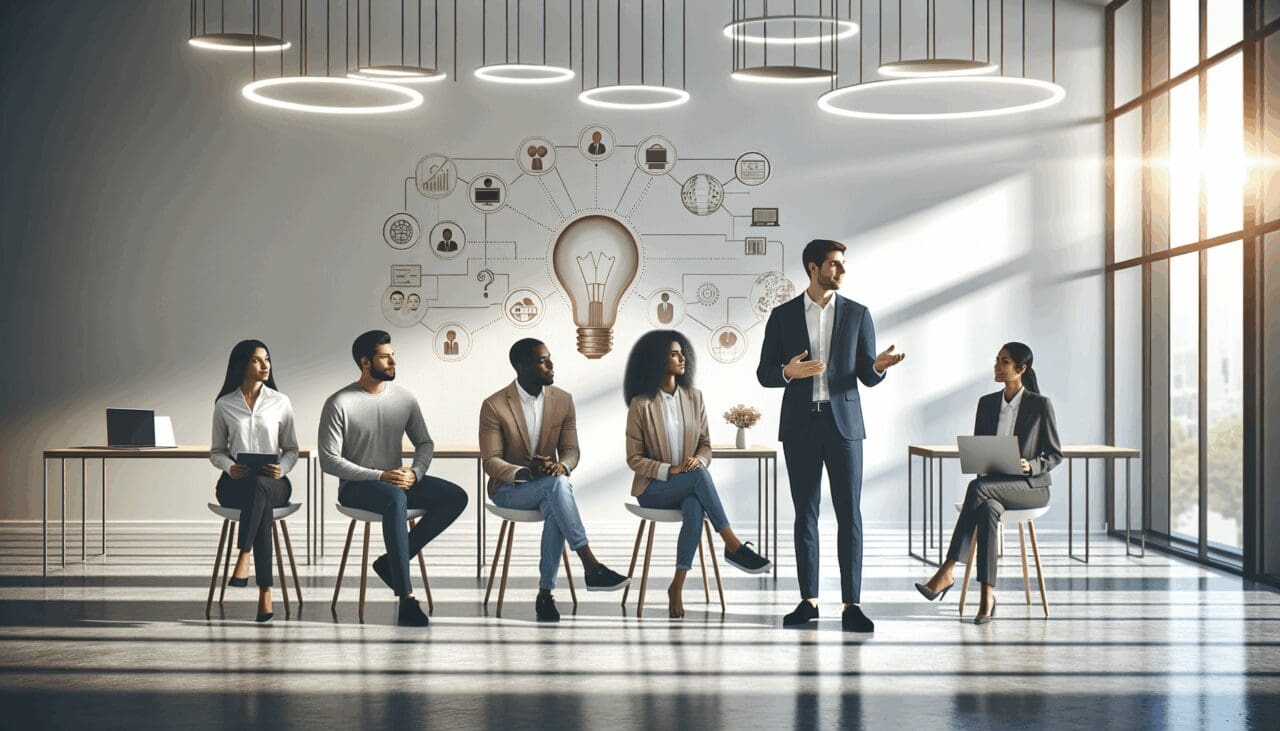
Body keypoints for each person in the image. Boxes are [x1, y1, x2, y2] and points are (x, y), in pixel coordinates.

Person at [756, 239, 906, 632]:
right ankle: (808, 601)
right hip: (801, 425)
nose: (841, 271)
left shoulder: (858, 314)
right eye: (835, 265)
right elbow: (764, 373)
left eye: (842, 265)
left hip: (844, 428)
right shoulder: (783, 316)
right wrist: (789, 372)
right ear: (812, 268)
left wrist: (879, 366)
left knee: (848, 516)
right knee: (805, 514)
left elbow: (867, 377)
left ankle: (851, 605)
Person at [318, 330, 468, 627]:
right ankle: (406, 598)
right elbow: (329, 460)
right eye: (385, 356)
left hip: (397, 481)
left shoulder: (404, 399)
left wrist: (415, 472)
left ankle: (391, 563)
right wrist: (380, 475)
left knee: (456, 496)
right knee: (395, 498)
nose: (392, 361)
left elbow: (425, 443)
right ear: (365, 362)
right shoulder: (339, 403)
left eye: (392, 355)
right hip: (357, 487)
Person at [479, 338, 631, 621]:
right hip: (510, 489)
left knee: (557, 495)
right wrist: (525, 473)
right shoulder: (495, 405)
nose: (551, 365)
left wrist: (561, 466)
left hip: (549, 488)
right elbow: (491, 461)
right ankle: (590, 564)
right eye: (541, 361)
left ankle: (545, 594)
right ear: (521, 366)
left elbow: (571, 450)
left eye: (549, 358)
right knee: (557, 489)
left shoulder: (563, 400)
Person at [626, 330, 771, 619]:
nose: (682, 359)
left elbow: (705, 444)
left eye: (682, 353)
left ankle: (676, 585)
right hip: (653, 490)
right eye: (674, 353)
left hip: (688, 487)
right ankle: (732, 544)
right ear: (658, 359)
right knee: (698, 478)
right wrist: (671, 470)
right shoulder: (641, 405)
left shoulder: (694, 397)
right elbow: (634, 459)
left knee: (694, 505)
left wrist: (698, 460)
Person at [914, 342, 1062, 624]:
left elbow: (1055, 454)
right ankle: (986, 597)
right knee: (986, 508)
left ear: (1021, 369)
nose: (997, 366)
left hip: (1031, 489)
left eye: (1004, 362)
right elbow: (981, 449)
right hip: (994, 486)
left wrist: (1030, 465)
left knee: (977, 489)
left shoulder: (1040, 405)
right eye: (996, 360)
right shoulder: (987, 404)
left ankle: (947, 570)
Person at [209, 339, 299, 623]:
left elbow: (292, 449)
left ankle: (244, 555)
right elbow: (216, 452)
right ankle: (265, 593)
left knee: (260, 489)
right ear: (242, 364)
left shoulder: (280, 401)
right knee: (256, 499)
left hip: (274, 482)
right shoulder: (224, 404)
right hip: (236, 482)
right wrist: (230, 466)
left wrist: (282, 468)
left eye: (267, 359)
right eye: (258, 360)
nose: (265, 365)